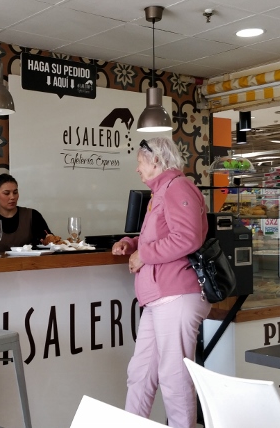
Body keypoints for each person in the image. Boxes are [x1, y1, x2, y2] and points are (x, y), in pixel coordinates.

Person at [111, 137, 211, 428]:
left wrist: (144, 255)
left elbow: (188, 238)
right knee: (140, 373)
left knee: (173, 377)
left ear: (155, 159)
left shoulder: (178, 187)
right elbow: (161, 235)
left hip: (176, 293)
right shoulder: (161, 191)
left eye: (139, 162)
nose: (137, 169)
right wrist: (132, 243)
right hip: (158, 296)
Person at [0, 173, 53, 251]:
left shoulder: (33, 216)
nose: (12, 197)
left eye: (15, 192)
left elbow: (50, 243)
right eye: (6, 193)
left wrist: (48, 241)